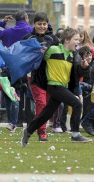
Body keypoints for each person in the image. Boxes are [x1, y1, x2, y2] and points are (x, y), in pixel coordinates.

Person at [21, 28, 92, 147]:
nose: (78, 42)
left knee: (46, 114)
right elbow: (37, 58)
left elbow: (77, 73)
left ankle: (28, 131)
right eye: (76, 40)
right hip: (53, 86)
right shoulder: (53, 50)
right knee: (77, 104)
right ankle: (75, 134)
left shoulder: (72, 55)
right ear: (67, 40)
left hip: (63, 87)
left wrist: (84, 67)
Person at [22, 12, 59, 141]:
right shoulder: (27, 38)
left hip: (51, 75)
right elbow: (21, 55)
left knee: (49, 104)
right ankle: (41, 131)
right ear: (34, 24)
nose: (42, 26)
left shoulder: (54, 39)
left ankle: (39, 125)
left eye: (44, 24)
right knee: (41, 102)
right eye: (39, 24)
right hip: (35, 75)